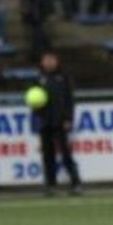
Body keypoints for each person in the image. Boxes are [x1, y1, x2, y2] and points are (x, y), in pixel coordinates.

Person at [32, 52, 83, 196]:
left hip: (60, 121)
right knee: (48, 155)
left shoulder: (64, 77)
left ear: (56, 61)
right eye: (46, 60)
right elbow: (33, 101)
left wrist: (68, 119)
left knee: (66, 154)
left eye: (51, 59)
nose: (48, 62)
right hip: (45, 121)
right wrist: (37, 118)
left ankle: (76, 183)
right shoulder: (38, 78)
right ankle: (51, 185)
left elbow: (69, 100)